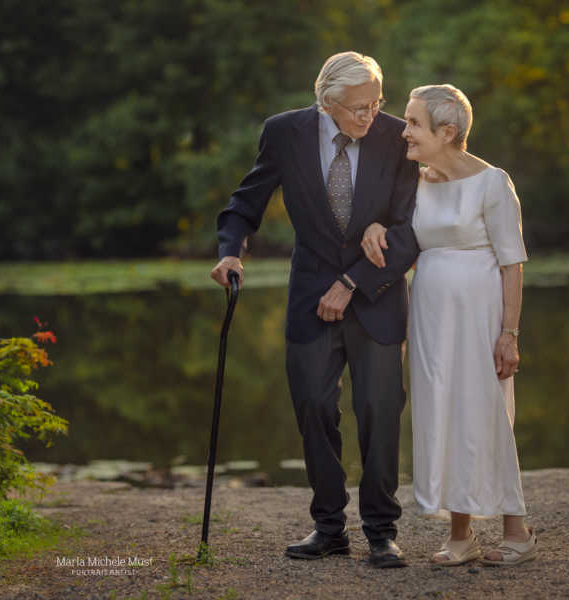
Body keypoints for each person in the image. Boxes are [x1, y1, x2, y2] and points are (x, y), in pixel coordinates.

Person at [210, 52, 419, 568]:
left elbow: (412, 228)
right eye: (357, 109)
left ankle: (381, 531)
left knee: (379, 413)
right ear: (326, 103)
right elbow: (246, 201)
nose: (369, 117)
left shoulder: (397, 137)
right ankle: (329, 527)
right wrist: (231, 250)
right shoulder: (285, 133)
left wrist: (353, 281)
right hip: (310, 297)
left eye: (376, 104)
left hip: (376, 296)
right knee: (314, 410)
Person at [361, 84, 537, 566]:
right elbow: (393, 227)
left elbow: (512, 262)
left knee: (486, 413)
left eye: (414, 124)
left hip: (481, 313)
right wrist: (375, 227)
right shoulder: (414, 180)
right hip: (430, 315)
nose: (404, 133)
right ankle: (461, 536)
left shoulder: (492, 182)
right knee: (441, 412)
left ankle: (516, 530)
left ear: (448, 131)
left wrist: (509, 333)